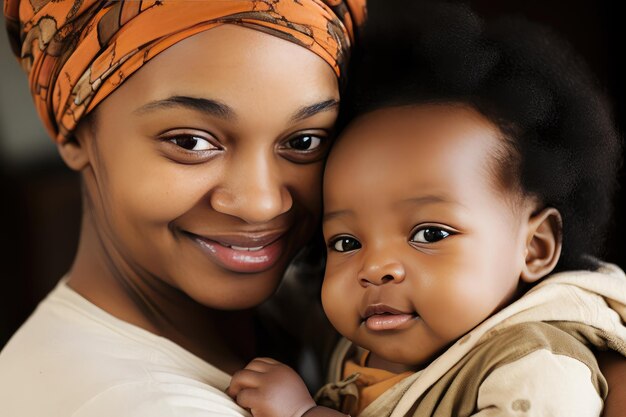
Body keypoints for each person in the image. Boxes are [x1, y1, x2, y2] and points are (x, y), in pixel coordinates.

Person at [226, 3, 626, 416]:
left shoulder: (535, 364)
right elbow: (284, 295)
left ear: (535, 248)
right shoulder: (356, 337)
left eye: (429, 234)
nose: (375, 266)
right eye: (346, 242)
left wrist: (303, 414)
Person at [0, 1, 365, 416]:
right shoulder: (148, 405)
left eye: (304, 142)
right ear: (75, 135)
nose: (261, 205)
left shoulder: (310, 319)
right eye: (190, 142)